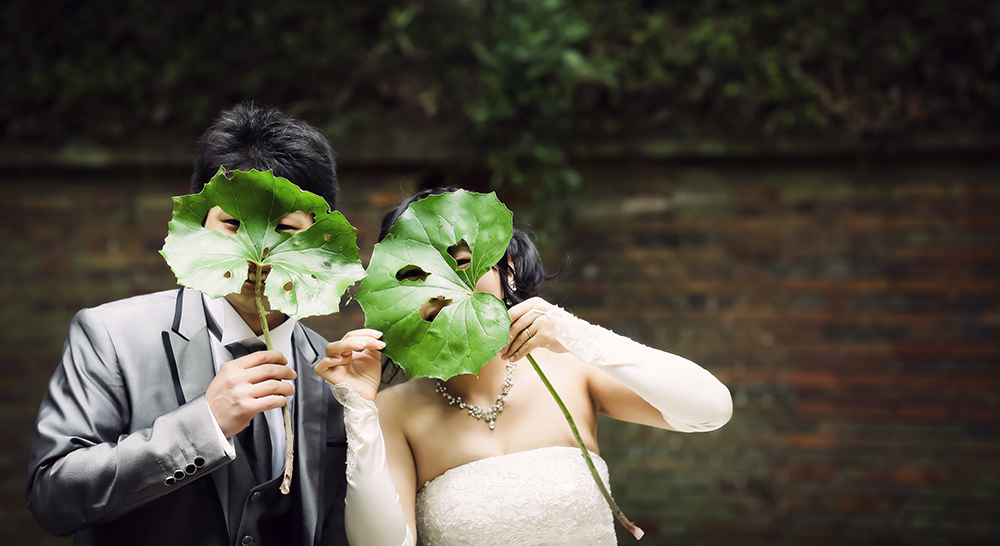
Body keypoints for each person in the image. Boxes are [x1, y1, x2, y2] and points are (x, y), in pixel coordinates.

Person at [315, 188, 734, 546]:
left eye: (460, 263)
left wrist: (576, 334)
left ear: (507, 272)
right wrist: (359, 409)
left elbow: (711, 409)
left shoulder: (571, 369)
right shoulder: (394, 412)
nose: (443, 286)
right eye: (417, 273)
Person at [27, 104, 350, 546]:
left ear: (322, 239)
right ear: (198, 225)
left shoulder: (331, 371)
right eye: (234, 224)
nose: (260, 253)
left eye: (285, 229)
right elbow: (53, 495)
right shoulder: (110, 337)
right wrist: (205, 424)